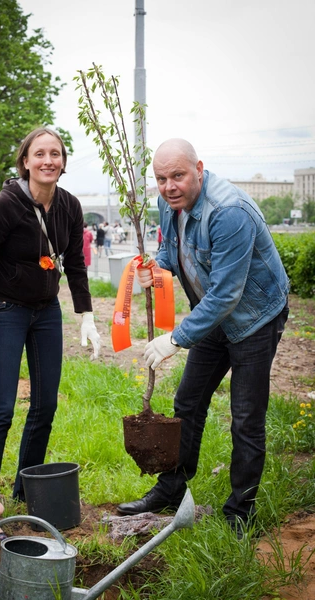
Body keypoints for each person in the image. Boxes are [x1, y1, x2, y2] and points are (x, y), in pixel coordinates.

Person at [117, 138, 289, 538]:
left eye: (178, 175)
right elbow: (169, 251)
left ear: (199, 168)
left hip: (255, 318)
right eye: (161, 178)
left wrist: (176, 339)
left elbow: (227, 294)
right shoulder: (168, 201)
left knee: (246, 418)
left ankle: (239, 513)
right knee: (187, 402)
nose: (169, 185)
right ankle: (172, 488)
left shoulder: (229, 212)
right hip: (214, 315)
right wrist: (154, 269)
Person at [0, 126, 101, 502]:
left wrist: (86, 316)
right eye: (40, 154)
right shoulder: (6, 205)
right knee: (1, 410)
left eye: (55, 154)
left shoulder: (69, 206)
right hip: (5, 309)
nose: (48, 160)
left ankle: (26, 491)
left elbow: (77, 264)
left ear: (63, 162)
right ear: (25, 161)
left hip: (47, 311)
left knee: (45, 404)